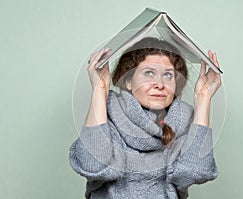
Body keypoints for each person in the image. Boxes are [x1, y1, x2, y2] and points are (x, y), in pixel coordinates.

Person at [69, 37, 222, 199]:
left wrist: (203, 99)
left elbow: (195, 173)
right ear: (128, 81)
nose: (160, 84)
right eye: (149, 73)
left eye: (168, 75)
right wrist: (99, 89)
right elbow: (93, 166)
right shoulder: (106, 115)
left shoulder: (184, 121)